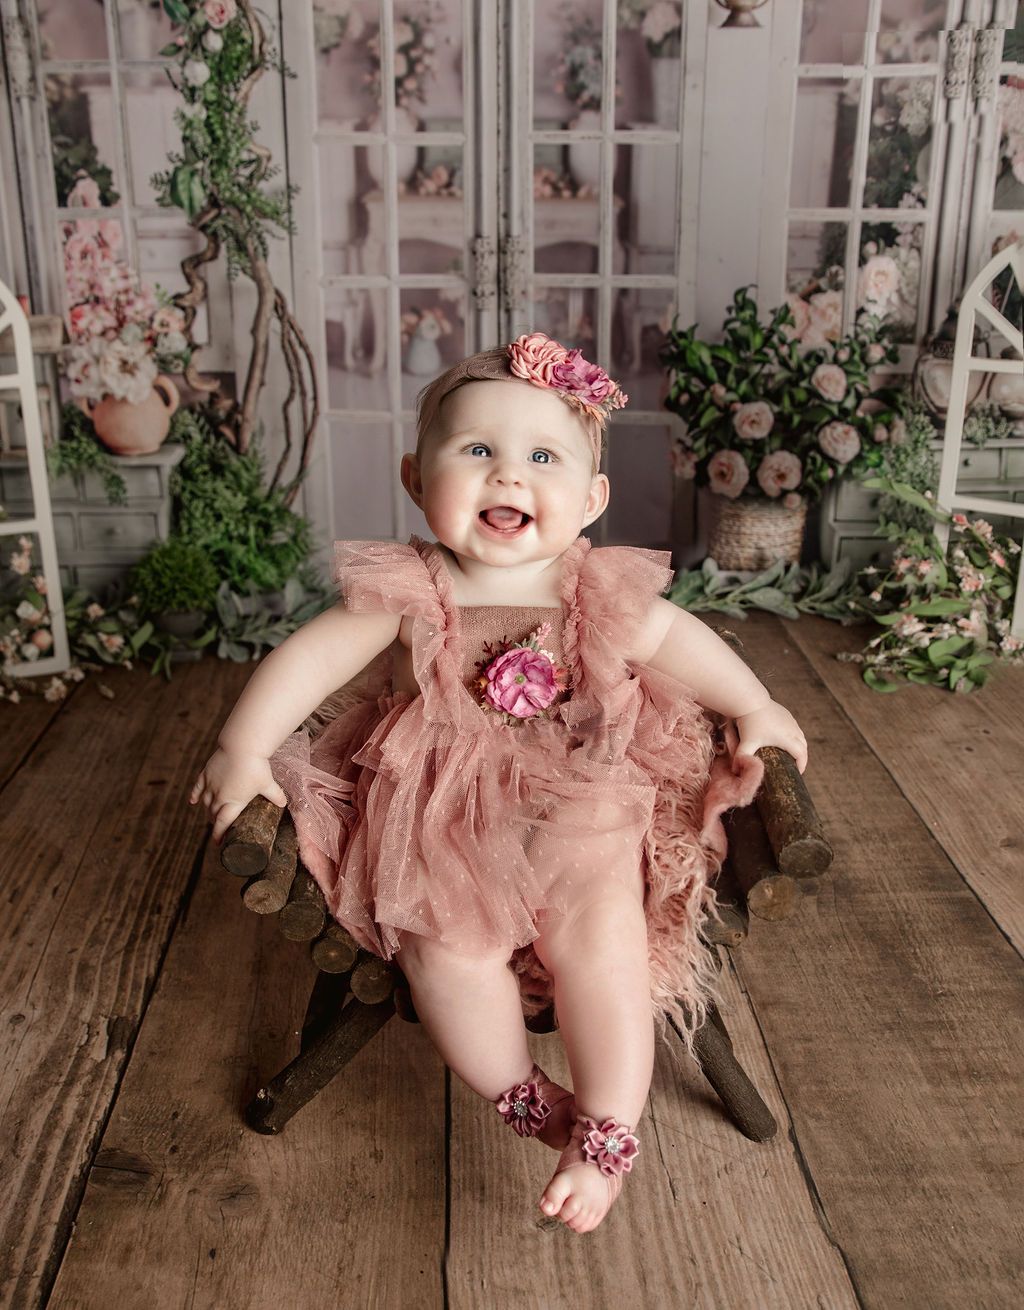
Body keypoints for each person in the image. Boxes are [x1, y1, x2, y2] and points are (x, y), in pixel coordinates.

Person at [190, 331, 807, 1235]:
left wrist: (755, 705)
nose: (508, 477)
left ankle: (607, 1136)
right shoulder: (412, 589)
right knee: (447, 953)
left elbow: (679, 641)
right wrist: (243, 747)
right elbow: (307, 661)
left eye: (542, 458)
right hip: (439, 821)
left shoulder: (593, 584)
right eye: (476, 451)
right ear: (415, 477)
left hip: (582, 807)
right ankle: (521, 1095)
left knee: (606, 947)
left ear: (591, 499)